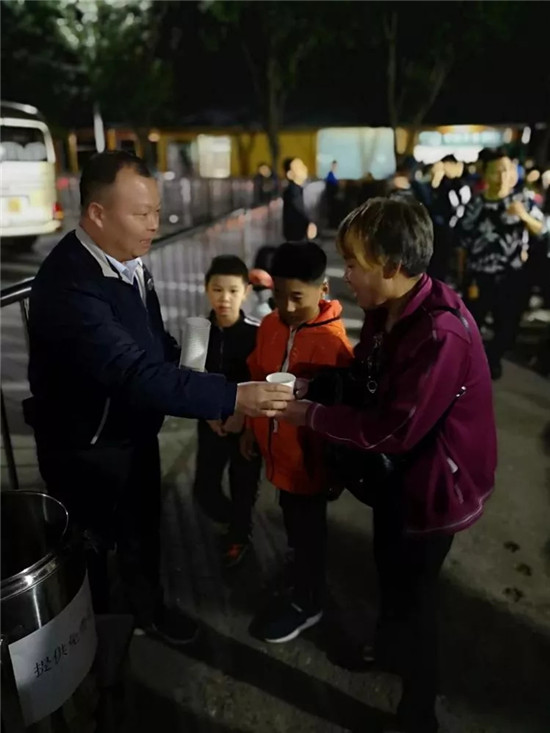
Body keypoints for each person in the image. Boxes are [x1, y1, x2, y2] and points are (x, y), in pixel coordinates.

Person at [26, 151, 294, 644]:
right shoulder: (71, 286)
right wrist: (233, 397)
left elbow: (151, 344)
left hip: (133, 429)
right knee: (90, 550)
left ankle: (150, 613)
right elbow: (131, 371)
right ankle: (97, 645)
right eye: (141, 213)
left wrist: (201, 389)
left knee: (143, 530)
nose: (154, 224)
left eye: (156, 211)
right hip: (88, 447)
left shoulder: (129, 259)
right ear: (97, 213)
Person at [281, 197, 497, 733]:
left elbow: (395, 430)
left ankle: (419, 710)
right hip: (397, 480)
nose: (346, 275)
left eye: (354, 263)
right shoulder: (388, 308)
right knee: (388, 568)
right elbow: (367, 375)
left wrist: (311, 414)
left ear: (394, 266)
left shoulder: (440, 332)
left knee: (416, 597)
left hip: (433, 487)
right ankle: (387, 648)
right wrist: (317, 385)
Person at [241, 241, 353, 643]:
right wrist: (250, 427)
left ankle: (309, 602)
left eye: (297, 297)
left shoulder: (334, 344)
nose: (287, 307)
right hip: (277, 456)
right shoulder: (270, 325)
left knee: (309, 532)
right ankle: (299, 576)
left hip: (310, 464)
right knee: (294, 524)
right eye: (279, 295)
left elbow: (343, 412)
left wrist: (335, 472)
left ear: (323, 290)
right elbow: (256, 375)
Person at [193, 255, 263, 568]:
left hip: (245, 427)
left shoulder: (257, 332)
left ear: (246, 291)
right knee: (204, 488)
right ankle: (235, 520)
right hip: (210, 423)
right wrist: (208, 414)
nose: (225, 298)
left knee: (243, 483)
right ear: (207, 289)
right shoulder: (198, 331)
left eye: (233, 291)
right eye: (218, 289)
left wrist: (243, 417)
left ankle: (239, 534)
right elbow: (191, 380)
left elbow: (261, 379)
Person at [458, 148, 546, 379]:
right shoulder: (476, 204)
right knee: (471, 323)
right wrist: (463, 274)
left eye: (507, 170)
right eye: (497, 171)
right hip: (479, 274)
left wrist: (523, 216)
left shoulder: (523, 201)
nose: (503, 176)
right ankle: (471, 363)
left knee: (506, 326)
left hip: (510, 275)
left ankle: (493, 360)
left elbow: (542, 229)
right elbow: (463, 241)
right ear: (486, 174)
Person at [282, 157, 317, 242]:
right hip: (297, 237)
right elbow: (298, 212)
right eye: (299, 168)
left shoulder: (299, 190)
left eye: (303, 166)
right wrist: (309, 224)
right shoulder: (292, 192)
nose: (304, 169)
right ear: (290, 174)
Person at [325, 160, 340, 228]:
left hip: (333, 197)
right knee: (331, 211)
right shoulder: (330, 175)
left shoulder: (334, 175)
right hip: (331, 197)